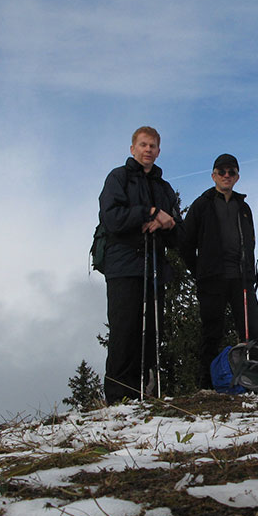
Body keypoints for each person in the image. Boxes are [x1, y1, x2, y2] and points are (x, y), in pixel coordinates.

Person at [98, 126, 183, 404]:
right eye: (143, 145)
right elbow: (112, 218)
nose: (148, 150)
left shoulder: (164, 187)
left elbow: (178, 232)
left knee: (151, 332)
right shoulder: (118, 178)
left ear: (159, 151)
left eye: (153, 146)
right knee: (124, 331)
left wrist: (165, 221)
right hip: (122, 264)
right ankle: (117, 398)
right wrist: (148, 212)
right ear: (133, 148)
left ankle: (143, 393)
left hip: (154, 266)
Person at [182, 153, 258, 389]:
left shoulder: (244, 207)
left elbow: (250, 242)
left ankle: (256, 382)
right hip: (212, 279)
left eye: (231, 172)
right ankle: (206, 385)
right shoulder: (201, 204)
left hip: (242, 279)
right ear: (213, 176)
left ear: (237, 177)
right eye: (222, 172)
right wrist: (198, 271)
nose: (226, 176)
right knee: (212, 332)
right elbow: (186, 242)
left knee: (251, 331)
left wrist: (249, 272)